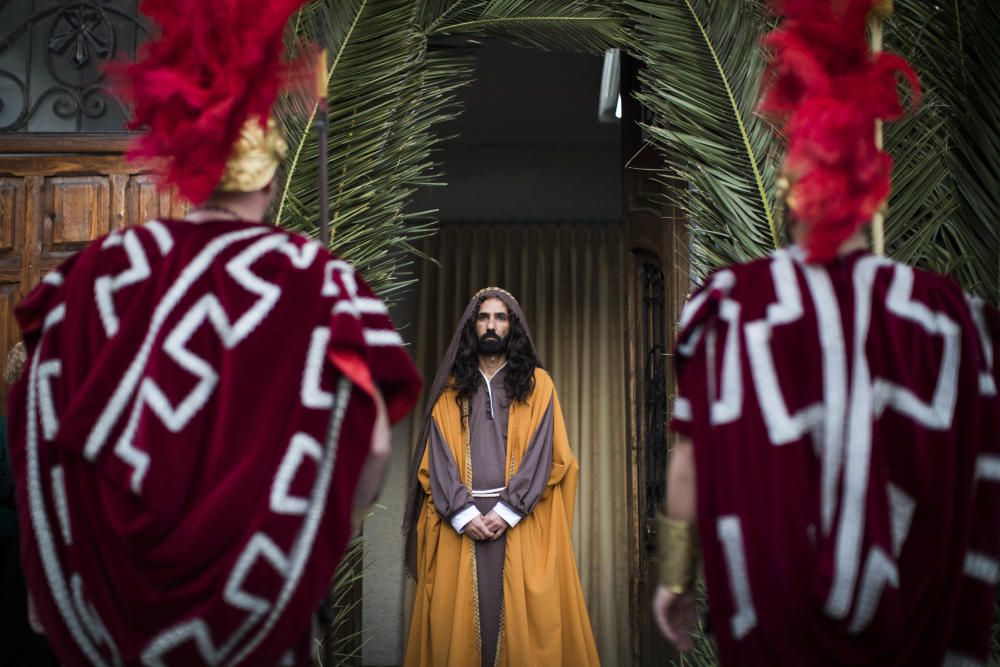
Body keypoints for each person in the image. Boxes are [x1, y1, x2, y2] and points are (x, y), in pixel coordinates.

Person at [4, 1, 421, 665]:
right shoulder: (321, 283)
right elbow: (369, 446)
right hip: (259, 628)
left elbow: (32, 423)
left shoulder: (89, 277)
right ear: (271, 170)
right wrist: (314, 538)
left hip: (101, 635)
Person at [652, 1, 1000, 665]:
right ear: (874, 194)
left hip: (772, 633)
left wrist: (674, 580)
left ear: (790, 191)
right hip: (914, 633)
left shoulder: (729, 307)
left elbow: (689, 458)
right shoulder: (948, 318)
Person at [403, 287, 599, 666]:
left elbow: (546, 453)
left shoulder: (539, 386)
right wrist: (464, 514)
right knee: (453, 633)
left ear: (514, 327)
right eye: (483, 317)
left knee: (532, 628)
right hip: (462, 527)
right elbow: (438, 458)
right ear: (472, 327)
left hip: (520, 525)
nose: (491, 325)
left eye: (501, 317)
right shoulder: (450, 391)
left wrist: (508, 510)